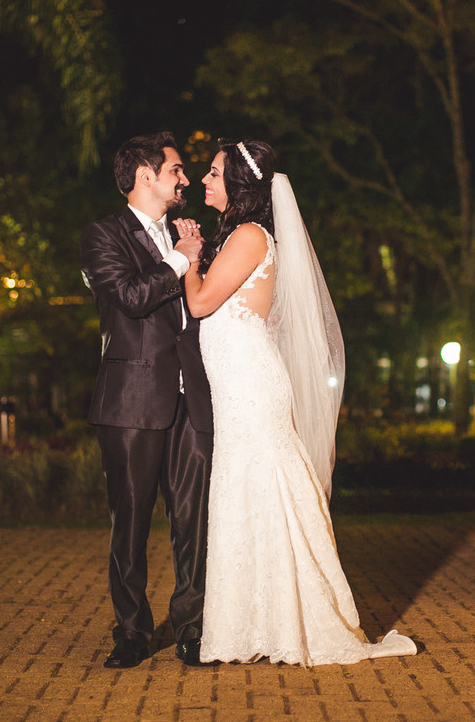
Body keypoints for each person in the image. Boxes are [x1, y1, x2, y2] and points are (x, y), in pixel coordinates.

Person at [175, 139, 419, 666]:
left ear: (239, 184)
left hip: (250, 388)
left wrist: (190, 259)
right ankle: (251, 625)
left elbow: (198, 302)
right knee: (246, 497)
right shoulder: (243, 236)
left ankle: (287, 623)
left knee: (263, 492)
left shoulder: (247, 236)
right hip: (240, 386)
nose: (203, 181)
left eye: (214, 173)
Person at [80, 132, 215, 669]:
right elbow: (133, 299)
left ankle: (191, 628)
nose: (186, 179)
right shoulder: (102, 236)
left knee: (193, 521)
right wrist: (182, 261)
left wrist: (195, 256)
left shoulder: (190, 235)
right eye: (177, 170)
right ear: (145, 176)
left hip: (192, 398)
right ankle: (133, 632)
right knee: (130, 524)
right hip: (131, 400)